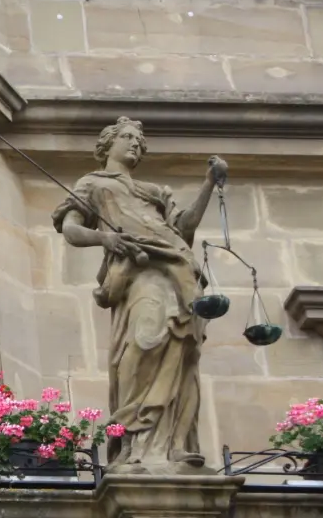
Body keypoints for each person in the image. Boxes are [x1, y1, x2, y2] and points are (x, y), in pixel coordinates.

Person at [51, 117, 227, 471]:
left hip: (180, 269)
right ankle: (137, 440)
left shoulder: (154, 191)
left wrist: (209, 183)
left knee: (184, 354)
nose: (135, 144)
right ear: (108, 144)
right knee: (145, 341)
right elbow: (70, 229)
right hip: (139, 273)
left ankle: (174, 444)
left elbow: (184, 228)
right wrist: (105, 237)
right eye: (128, 138)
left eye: (139, 141)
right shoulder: (93, 183)